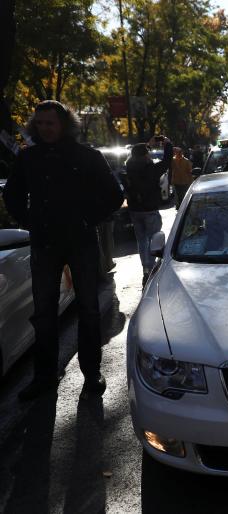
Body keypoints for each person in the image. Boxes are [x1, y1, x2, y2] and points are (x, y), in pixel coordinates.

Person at [2, 100, 123, 401]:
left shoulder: (87, 156)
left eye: (50, 123)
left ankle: (91, 373)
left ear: (64, 124)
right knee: (43, 313)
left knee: (89, 310)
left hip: (80, 241)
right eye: (40, 123)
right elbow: (12, 194)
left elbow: (114, 194)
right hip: (43, 245)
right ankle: (45, 376)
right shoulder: (29, 158)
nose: (44, 128)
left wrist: (87, 218)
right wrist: (30, 221)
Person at [125, 136, 173, 286]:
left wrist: (147, 144)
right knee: (153, 239)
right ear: (146, 155)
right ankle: (151, 268)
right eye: (148, 152)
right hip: (150, 209)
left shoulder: (129, 167)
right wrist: (168, 145)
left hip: (135, 210)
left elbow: (136, 153)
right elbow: (166, 162)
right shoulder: (151, 169)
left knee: (141, 240)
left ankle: (145, 268)